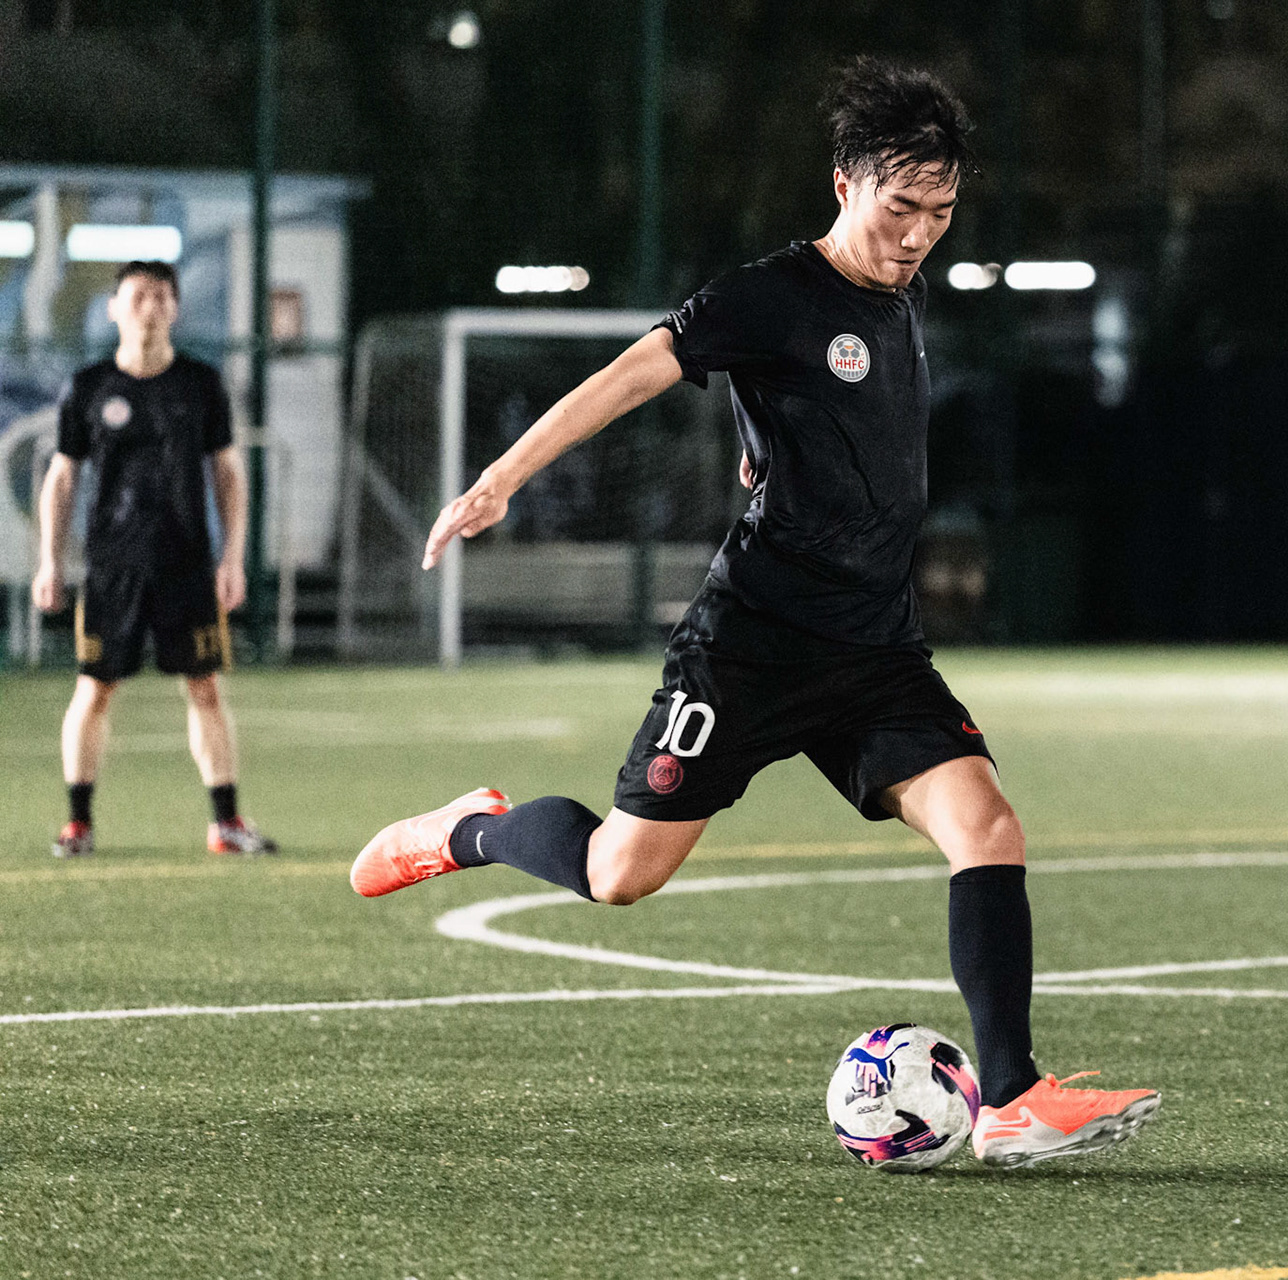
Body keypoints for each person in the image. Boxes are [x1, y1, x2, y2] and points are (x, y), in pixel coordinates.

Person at [351, 58, 1158, 1167]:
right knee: (619, 874)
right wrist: (501, 479)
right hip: (752, 646)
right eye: (900, 206)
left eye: (940, 211)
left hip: (874, 646)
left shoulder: (904, 293)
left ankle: (1012, 1096)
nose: (919, 233)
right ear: (844, 184)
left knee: (988, 827)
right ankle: (470, 829)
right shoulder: (772, 294)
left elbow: (823, 411)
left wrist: (761, 437)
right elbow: (634, 372)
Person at [32, 260, 277, 859]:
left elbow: (227, 472)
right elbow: (62, 479)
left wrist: (232, 557)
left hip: (187, 564)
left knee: (206, 688)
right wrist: (49, 561)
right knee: (94, 689)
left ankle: (225, 823)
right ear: (114, 309)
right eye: (138, 295)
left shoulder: (200, 384)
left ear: (176, 308)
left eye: (163, 295)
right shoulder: (88, 387)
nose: (151, 305)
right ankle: (78, 824)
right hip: (111, 568)